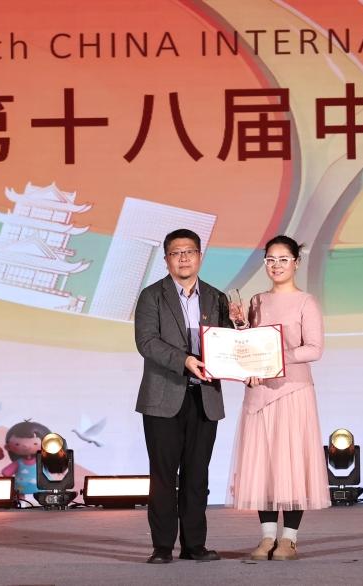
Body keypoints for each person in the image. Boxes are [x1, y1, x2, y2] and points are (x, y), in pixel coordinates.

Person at [227, 235, 331, 561]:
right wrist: (239, 324)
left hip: (292, 392)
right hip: (259, 393)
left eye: (283, 259)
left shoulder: (306, 302)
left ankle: (289, 539)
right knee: (264, 466)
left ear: (296, 262)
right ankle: (267, 536)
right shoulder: (257, 300)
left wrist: (275, 357)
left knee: (292, 464)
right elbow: (248, 344)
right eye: (270, 260)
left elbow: (314, 349)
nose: (276, 265)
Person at [134, 228, 233, 564]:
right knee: (164, 476)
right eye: (176, 253)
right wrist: (185, 361)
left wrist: (240, 327)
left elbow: (228, 344)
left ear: (200, 256)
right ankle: (162, 547)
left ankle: (194, 545)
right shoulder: (151, 296)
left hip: (204, 398)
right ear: (166, 260)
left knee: (197, 475)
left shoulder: (217, 297)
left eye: (189, 251)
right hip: (163, 397)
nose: (183, 258)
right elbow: (147, 342)